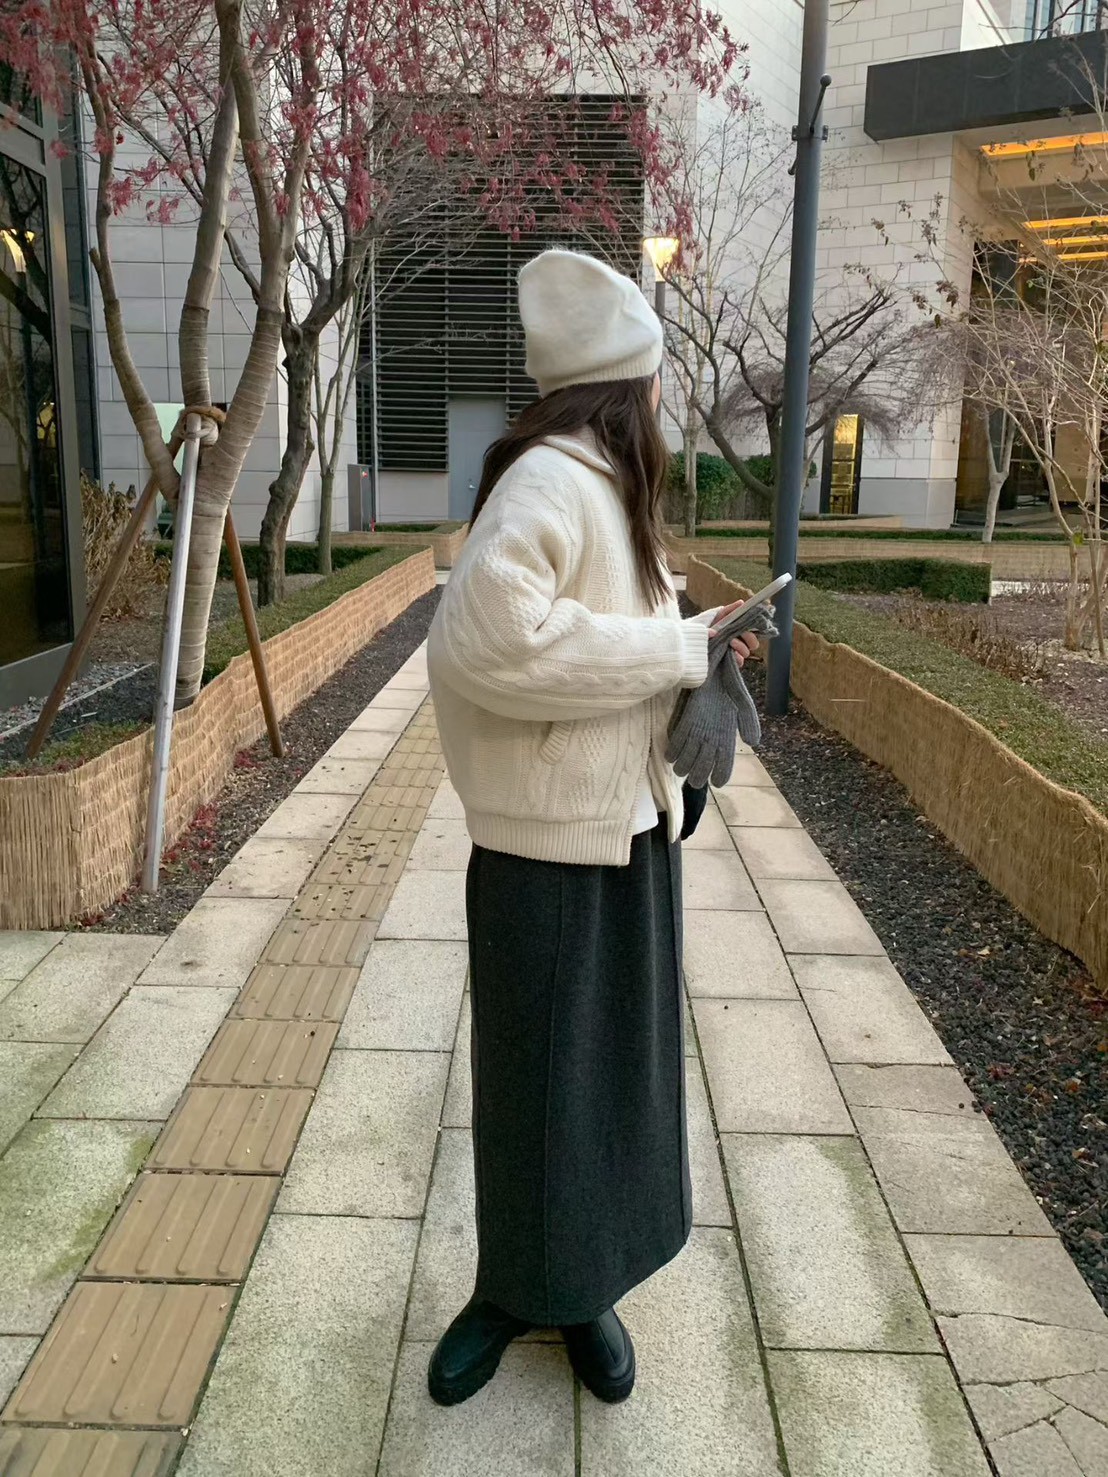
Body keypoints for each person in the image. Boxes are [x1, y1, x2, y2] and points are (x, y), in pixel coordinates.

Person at [425, 249, 757, 1408]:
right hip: (543, 853)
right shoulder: (549, 483)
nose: (663, 397)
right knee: (536, 1089)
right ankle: (511, 1290)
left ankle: (580, 1285)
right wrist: (676, 648)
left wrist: (697, 660)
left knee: (606, 1083)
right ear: (630, 385)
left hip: (621, 836)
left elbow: (605, 644)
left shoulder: (604, 487)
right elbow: (487, 640)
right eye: (657, 377)